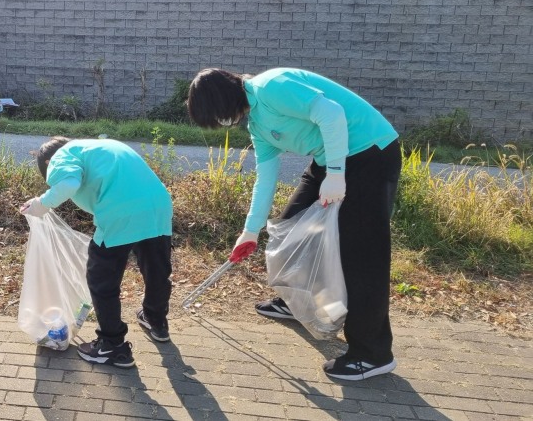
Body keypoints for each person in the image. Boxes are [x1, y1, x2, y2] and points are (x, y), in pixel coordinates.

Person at [186, 68, 401, 381]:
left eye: (217, 115)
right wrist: (249, 231)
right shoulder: (257, 123)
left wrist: (337, 175)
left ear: (224, 99)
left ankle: (373, 354)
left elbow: (332, 114)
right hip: (329, 160)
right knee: (289, 231)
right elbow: (265, 177)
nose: (221, 122)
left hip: (369, 154)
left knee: (361, 255)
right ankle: (297, 302)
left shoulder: (272, 87)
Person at [21, 137, 173, 369]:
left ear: (49, 161)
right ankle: (156, 320)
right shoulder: (97, 146)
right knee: (156, 269)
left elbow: (68, 184)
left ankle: (111, 345)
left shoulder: (62, 156)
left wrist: (40, 204)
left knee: (101, 280)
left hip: (119, 212)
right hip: (159, 205)